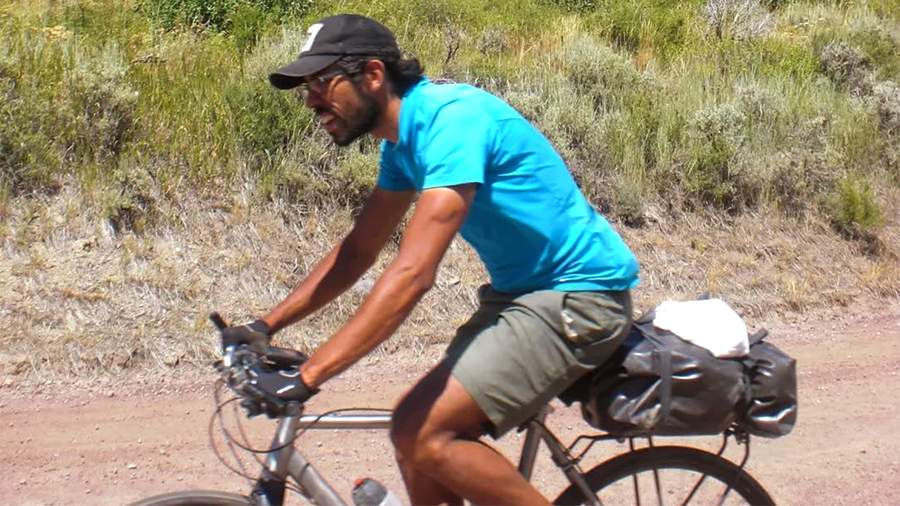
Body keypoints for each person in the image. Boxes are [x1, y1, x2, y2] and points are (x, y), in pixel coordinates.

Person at [223, 13, 639, 505]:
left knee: (423, 432)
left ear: (372, 75)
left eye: (321, 83)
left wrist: (310, 376)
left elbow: (414, 273)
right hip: (521, 296)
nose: (311, 100)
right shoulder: (403, 145)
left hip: (578, 297)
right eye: (306, 88)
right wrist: (263, 326)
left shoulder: (451, 122)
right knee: (412, 437)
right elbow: (359, 250)